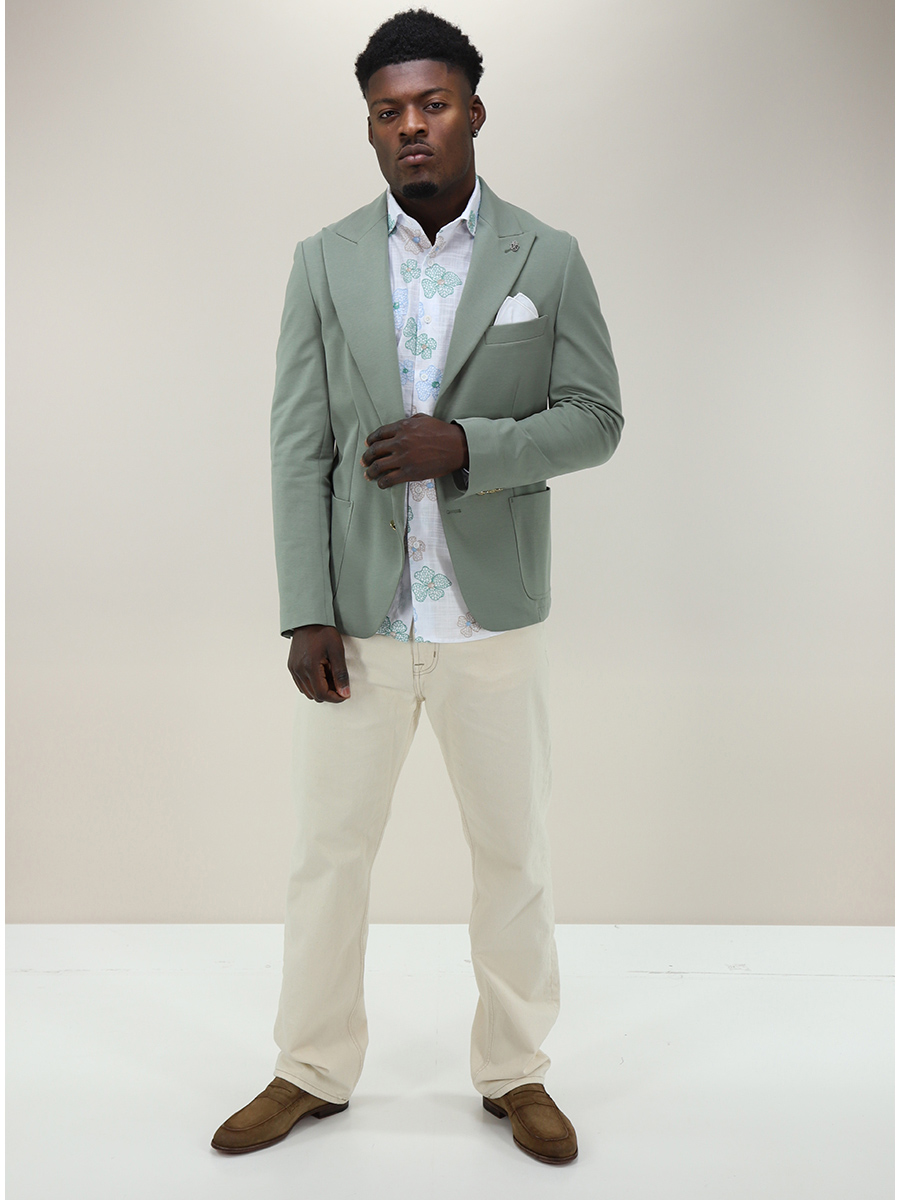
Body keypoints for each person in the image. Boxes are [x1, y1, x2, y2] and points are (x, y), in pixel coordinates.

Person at [212, 8, 622, 1166]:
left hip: (494, 619)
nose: (411, 127)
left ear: (474, 112)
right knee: (327, 856)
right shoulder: (324, 259)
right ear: (370, 127)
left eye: (432, 104)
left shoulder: (547, 257)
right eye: (389, 111)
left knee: (515, 857)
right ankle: (311, 1067)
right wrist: (305, 608)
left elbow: (597, 419)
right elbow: (297, 446)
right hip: (359, 622)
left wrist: (472, 447)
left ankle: (516, 1071)